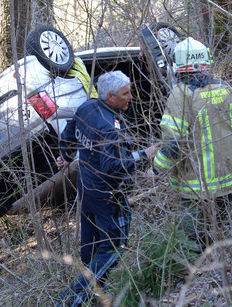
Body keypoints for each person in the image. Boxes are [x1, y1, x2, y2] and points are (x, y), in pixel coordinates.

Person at [55, 71, 160, 306]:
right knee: (114, 246)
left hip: (87, 192)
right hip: (109, 197)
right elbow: (113, 166)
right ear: (110, 97)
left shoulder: (87, 108)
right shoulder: (110, 128)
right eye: (126, 93)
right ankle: (70, 300)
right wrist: (145, 154)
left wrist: (65, 157)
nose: (131, 97)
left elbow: (68, 136)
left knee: (91, 249)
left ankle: (97, 295)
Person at [153, 37, 232, 250]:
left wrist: (155, 170)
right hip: (226, 179)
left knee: (191, 241)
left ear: (178, 67)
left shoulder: (180, 95)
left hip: (194, 185)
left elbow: (173, 144)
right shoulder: (226, 89)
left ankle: (198, 276)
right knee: (222, 234)